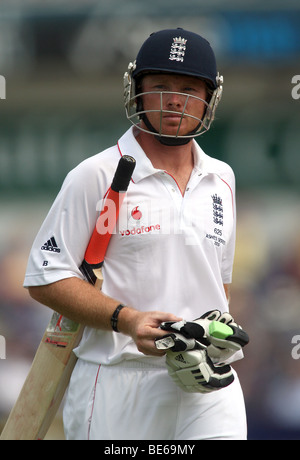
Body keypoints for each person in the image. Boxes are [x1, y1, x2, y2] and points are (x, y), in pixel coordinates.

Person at [24, 28, 248, 440]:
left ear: (210, 97)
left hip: (208, 382)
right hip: (118, 380)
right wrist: (127, 321)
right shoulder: (96, 174)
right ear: (137, 91)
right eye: (160, 85)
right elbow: (45, 276)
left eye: (188, 88)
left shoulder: (223, 179)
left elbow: (220, 283)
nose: (175, 99)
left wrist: (214, 336)